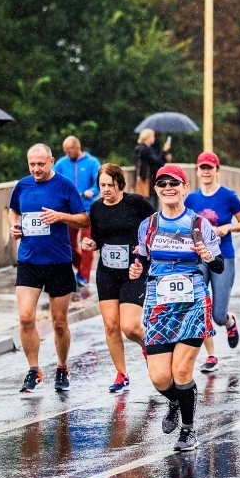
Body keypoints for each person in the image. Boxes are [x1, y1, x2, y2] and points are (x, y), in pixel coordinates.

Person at [129, 163, 224, 452]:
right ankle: (173, 400)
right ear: (156, 190)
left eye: (174, 183)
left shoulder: (198, 224)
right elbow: (142, 262)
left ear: (184, 188)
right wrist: (136, 271)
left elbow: (218, 266)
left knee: (182, 373)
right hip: (159, 304)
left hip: (192, 302)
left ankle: (188, 429)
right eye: (162, 184)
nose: (168, 188)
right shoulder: (149, 225)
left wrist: (207, 256)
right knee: (159, 377)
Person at [9, 144, 89, 393]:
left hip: (58, 262)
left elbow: (84, 218)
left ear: (52, 161)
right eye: (32, 164)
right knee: (25, 317)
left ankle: (62, 367)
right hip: (29, 261)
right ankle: (33, 370)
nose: (36, 169)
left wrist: (60, 217)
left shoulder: (64, 185)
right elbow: (13, 210)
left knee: (58, 323)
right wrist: (14, 226)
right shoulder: (22, 185)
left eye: (41, 164)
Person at [81, 163, 154, 392]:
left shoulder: (136, 203)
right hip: (107, 272)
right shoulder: (96, 208)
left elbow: (156, 227)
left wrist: (144, 248)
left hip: (134, 270)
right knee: (111, 326)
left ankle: (148, 347)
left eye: (110, 185)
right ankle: (121, 374)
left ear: (120, 184)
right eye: (102, 185)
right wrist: (91, 244)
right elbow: (98, 238)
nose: (106, 190)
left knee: (130, 327)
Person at [185, 152, 240, 372]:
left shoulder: (228, 196)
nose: (205, 171)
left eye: (209, 168)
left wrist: (227, 227)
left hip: (224, 256)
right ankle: (211, 355)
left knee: (218, 315)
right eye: (202, 168)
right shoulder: (191, 199)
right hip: (199, 259)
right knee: (199, 307)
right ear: (197, 170)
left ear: (217, 170)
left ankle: (229, 321)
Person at [54, 136, 101, 287]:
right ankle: (80, 268)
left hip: (88, 210)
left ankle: (84, 276)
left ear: (76, 148)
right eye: (65, 151)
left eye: (69, 151)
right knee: (68, 243)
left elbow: (99, 181)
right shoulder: (62, 163)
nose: (67, 154)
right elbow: (53, 177)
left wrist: (92, 191)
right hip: (69, 211)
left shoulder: (92, 162)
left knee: (87, 243)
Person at [134, 128, 171, 209]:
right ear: (147, 137)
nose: (154, 138)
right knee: (150, 206)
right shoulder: (144, 150)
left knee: (153, 204)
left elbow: (158, 162)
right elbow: (155, 161)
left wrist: (165, 157)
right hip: (148, 181)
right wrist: (164, 151)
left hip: (152, 180)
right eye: (152, 136)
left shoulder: (147, 149)